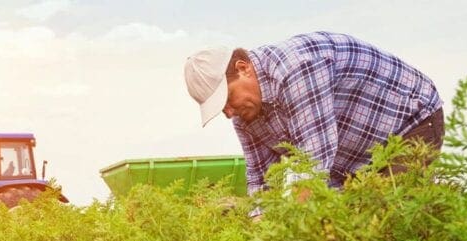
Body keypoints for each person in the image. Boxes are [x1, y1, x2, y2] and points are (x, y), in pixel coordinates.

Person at [184, 32, 444, 216]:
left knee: (390, 221)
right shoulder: (245, 115)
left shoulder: (296, 68)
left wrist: (289, 232)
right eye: (221, 109)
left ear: (243, 68)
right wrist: (261, 225)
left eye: (228, 98)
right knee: (342, 228)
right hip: (351, 158)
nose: (229, 113)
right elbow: (262, 180)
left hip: (408, 123)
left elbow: (313, 164)